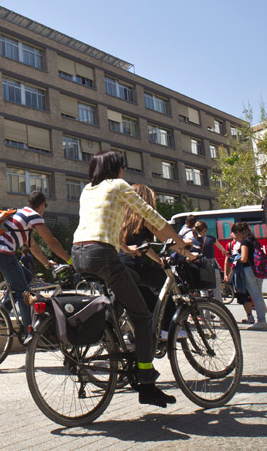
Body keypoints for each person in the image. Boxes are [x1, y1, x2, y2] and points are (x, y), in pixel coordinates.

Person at [71, 150, 194, 408]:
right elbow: (151, 218)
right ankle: (147, 383)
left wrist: (125, 249)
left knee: (133, 276)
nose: (124, 172)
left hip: (79, 254)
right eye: (123, 167)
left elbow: (102, 223)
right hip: (101, 254)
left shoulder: (86, 190)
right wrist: (182, 247)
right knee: (143, 317)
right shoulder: (118, 185)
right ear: (116, 169)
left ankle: (111, 326)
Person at [0, 190, 70, 337]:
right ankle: (30, 334)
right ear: (42, 205)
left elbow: (33, 246)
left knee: (27, 278)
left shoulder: (20, 215)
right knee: (24, 294)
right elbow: (51, 241)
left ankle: (3, 310)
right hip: (2, 254)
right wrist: (70, 261)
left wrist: (47, 263)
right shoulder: (33, 216)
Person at [117, 184, 174, 338]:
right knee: (166, 282)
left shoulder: (123, 217)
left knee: (145, 297)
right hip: (135, 265)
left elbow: (142, 246)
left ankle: (141, 329)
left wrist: (158, 259)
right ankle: (167, 329)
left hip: (121, 264)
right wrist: (182, 250)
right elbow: (155, 241)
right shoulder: (144, 216)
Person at [231, 222, 267, 330]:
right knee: (259, 295)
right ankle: (262, 319)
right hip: (257, 270)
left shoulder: (244, 242)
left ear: (238, 232)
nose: (233, 236)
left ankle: (261, 321)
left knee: (255, 296)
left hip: (248, 271)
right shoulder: (253, 240)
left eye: (233, 233)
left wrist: (234, 258)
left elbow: (244, 258)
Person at [192, 221, 228, 301]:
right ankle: (220, 312)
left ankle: (206, 313)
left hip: (201, 269)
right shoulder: (211, 239)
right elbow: (221, 248)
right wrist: (224, 251)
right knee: (217, 293)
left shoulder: (192, 240)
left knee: (204, 294)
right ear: (205, 229)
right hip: (213, 268)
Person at [224, 231, 254, 323]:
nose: (234, 234)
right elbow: (227, 260)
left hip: (244, 272)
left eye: (236, 232)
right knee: (241, 295)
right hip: (236, 272)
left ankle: (252, 316)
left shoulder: (245, 243)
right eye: (233, 232)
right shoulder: (229, 245)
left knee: (247, 294)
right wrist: (226, 274)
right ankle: (249, 315)